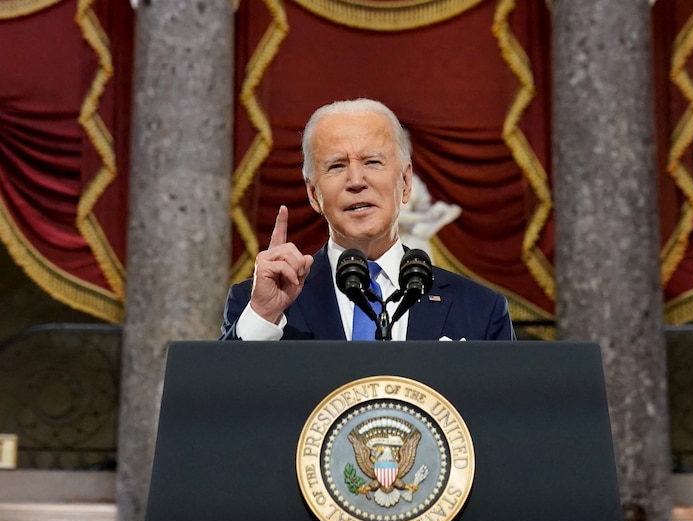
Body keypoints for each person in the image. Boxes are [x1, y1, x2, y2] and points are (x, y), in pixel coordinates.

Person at [219, 98, 515, 341]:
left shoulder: (480, 310)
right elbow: (216, 408)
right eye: (336, 166)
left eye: (372, 162)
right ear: (312, 193)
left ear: (406, 182)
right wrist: (263, 316)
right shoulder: (260, 303)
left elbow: (506, 412)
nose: (356, 181)